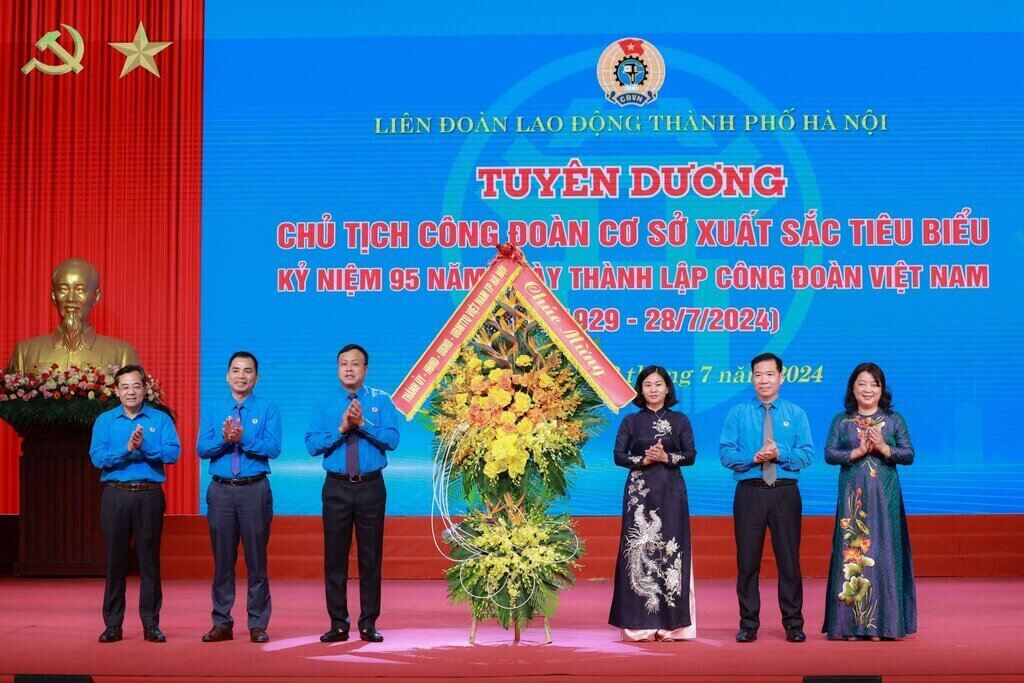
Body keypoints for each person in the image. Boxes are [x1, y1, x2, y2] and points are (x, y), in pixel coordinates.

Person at [305, 344, 400, 644]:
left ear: (365, 369)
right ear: (338, 369)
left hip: (371, 486)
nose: (349, 368)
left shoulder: (382, 401)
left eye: (355, 364)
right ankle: (338, 624)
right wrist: (343, 427)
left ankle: (368, 623)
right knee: (335, 558)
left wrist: (363, 425)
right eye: (343, 364)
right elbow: (312, 444)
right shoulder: (323, 403)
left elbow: (393, 439)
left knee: (370, 558)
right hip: (336, 487)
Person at [720, 352, 813, 643]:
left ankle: (794, 624)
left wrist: (779, 454)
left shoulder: (795, 413)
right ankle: (748, 624)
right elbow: (725, 453)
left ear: (781, 378)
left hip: (785, 492)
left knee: (789, 561)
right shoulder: (737, 413)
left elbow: (807, 454)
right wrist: (753, 457)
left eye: (770, 374)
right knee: (747, 562)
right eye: (758, 375)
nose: (764, 380)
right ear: (751, 378)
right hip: (750, 493)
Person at [822, 363, 917, 641]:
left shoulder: (893, 420)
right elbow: (829, 454)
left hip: (884, 498)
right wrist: (858, 451)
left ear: (881, 390)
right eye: (862, 383)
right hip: (853, 499)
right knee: (851, 555)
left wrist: (884, 448)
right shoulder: (842, 421)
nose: (868, 389)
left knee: (884, 555)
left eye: (874, 384)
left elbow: (909, 454)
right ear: (853, 387)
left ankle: (882, 626)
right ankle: (849, 627)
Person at [89, 364, 180, 643]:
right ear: (116, 391)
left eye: (136, 386)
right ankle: (113, 625)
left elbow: (173, 453)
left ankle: (151, 624)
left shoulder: (160, 419)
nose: (131, 392)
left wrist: (145, 447)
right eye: (125, 387)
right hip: (115, 495)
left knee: (149, 561)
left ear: (145, 389)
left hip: (149, 495)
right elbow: (97, 458)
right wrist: (126, 449)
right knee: (115, 562)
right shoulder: (105, 421)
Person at [197, 351, 282, 644]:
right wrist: (225, 439)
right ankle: (222, 623)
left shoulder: (268, 408)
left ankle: (257, 623)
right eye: (236, 370)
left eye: (248, 371)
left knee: (257, 561)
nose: (241, 376)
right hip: (220, 490)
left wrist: (242, 437)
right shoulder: (213, 408)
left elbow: (273, 448)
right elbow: (202, 448)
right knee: (223, 561)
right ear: (227, 376)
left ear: (256, 377)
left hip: (254, 490)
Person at [609, 365, 697, 642]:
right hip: (640, 494)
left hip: (671, 491)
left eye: (659, 384)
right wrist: (644, 460)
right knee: (639, 549)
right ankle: (640, 626)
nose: (654, 389)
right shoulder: (631, 422)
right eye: (648, 385)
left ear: (668, 388)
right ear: (640, 390)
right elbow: (619, 456)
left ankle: (671, 626)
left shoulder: (680, 420)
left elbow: (691, 455)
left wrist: (666, 457)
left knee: (672, 550)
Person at [7, 258, 139, 373]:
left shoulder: (122, 354)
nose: (71, 298)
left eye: (80, 289)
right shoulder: (24, 352)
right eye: (63, 289)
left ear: (96, 296)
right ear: (54, 296)